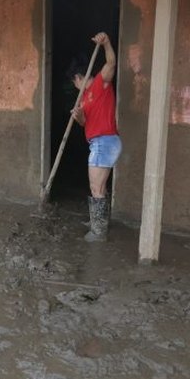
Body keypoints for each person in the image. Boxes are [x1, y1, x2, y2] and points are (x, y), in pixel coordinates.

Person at [67, 32, 121, 242]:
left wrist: (106, 43)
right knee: (101, 186)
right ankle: (99, 221)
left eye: (74, 82)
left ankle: (98, 233)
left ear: (78, 78)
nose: (75, 86)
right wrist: (80, 115)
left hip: (105, 141)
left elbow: (112, 63)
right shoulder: (84, 99)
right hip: (97, 142)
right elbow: (85, 124)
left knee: (95, 187)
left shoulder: (100, 83)